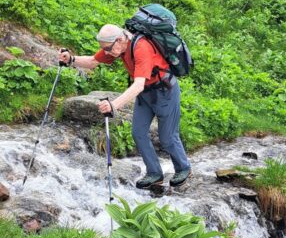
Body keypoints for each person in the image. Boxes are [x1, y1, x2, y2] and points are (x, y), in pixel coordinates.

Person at [59, 24, 191, 189]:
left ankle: (183, 168)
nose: (106, 52)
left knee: (167, 138)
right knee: (138, 133)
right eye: (104, 48)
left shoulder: (141, 47)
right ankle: (154, 173)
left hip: (164, 91)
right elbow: (93, 61)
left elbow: (138, 85)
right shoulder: (117, 47)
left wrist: (113, 105)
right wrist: (71, 60)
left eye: (107, 48)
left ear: (120, 40)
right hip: (146, 95)